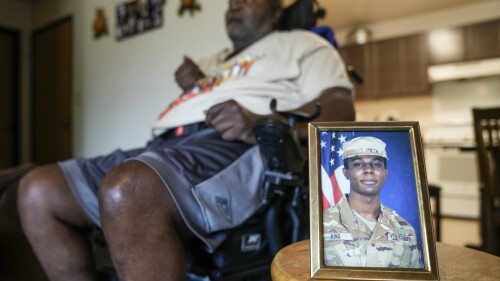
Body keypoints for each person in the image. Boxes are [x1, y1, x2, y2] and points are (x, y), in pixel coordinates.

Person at [17, 0, 355, 280]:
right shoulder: (212, 63)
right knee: (38, 191)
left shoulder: (305, 44)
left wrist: (260, 122)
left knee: (129, 190)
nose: (234, 3)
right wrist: (201, 84)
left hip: (235, 142)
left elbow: (340, 112)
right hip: (165, 145)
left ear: (276, 11)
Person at [323, 136, 423, 268]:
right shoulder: (321, 224)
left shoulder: (405, 229)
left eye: (376, 164)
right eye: (358, 164)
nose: (368, 169)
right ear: (345, 173)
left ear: (385, 172)